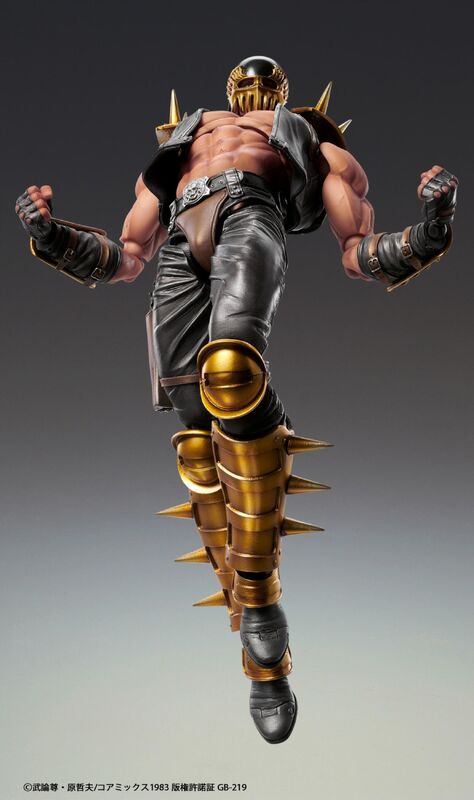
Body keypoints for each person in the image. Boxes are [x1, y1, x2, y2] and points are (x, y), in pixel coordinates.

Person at [15, 55, 458, 744]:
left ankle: (263, 619)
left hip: (254, 210)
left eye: (268, 79)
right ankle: (257, 623)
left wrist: (432, 228)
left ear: (286, 93)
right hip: (179, 238)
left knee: (231, 371)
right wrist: (50, 236)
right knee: (196, 432)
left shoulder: (312, 140)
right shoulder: (183, 140)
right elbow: (127, 254)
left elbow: (357, 249)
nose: (255, 81)